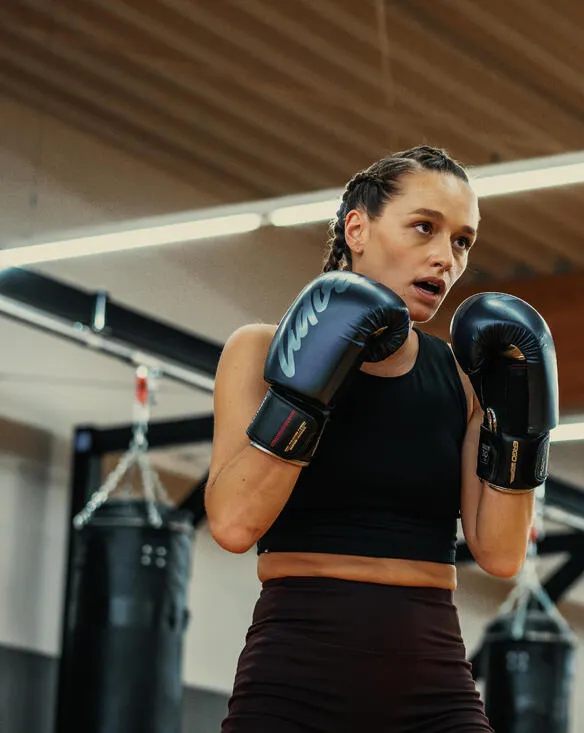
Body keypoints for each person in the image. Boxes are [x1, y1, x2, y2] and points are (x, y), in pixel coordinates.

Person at [204, 145, 558, 732]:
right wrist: (306, 389)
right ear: (358, 228)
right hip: (296, 674)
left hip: (433, 678)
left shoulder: (464, 382)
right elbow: (234, 524)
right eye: (425, 228)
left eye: (463, 242)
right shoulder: (261, 351)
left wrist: (521, 426)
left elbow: (500, 554)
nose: (445, 258)